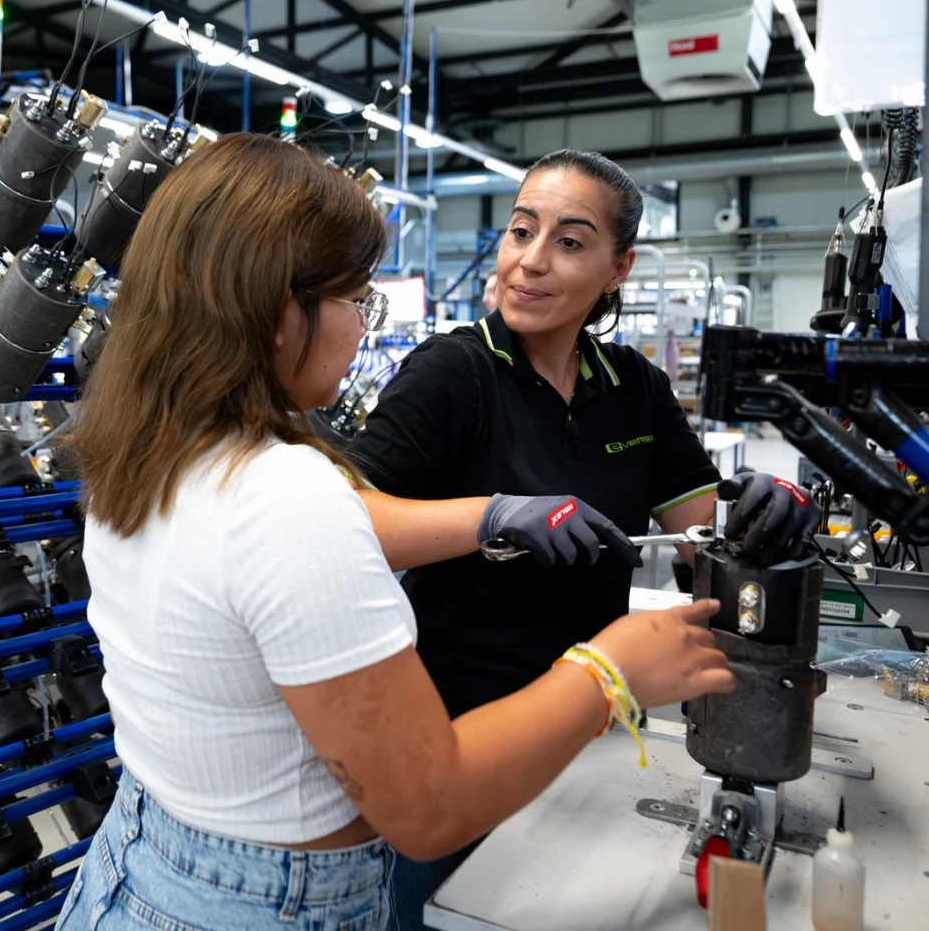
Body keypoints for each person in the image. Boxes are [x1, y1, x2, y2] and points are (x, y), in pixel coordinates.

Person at [56, 134, 734, 931]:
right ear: (280, 313)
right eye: (356, 300)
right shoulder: (287, 493)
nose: (361, 330)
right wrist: (609, 671)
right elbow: (425, 807)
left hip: (146, 858)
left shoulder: (144, 446)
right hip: (263, 902)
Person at [347, 147, 822, 928]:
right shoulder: (454, 373)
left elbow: (705, 535)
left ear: (617, 268)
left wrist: (769, 515)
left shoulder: (632, 388)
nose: (528, 264)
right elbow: (344, 520)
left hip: (589, 729)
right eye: (520, 232)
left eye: (569, 242)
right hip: (459, 733)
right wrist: (492, 514)